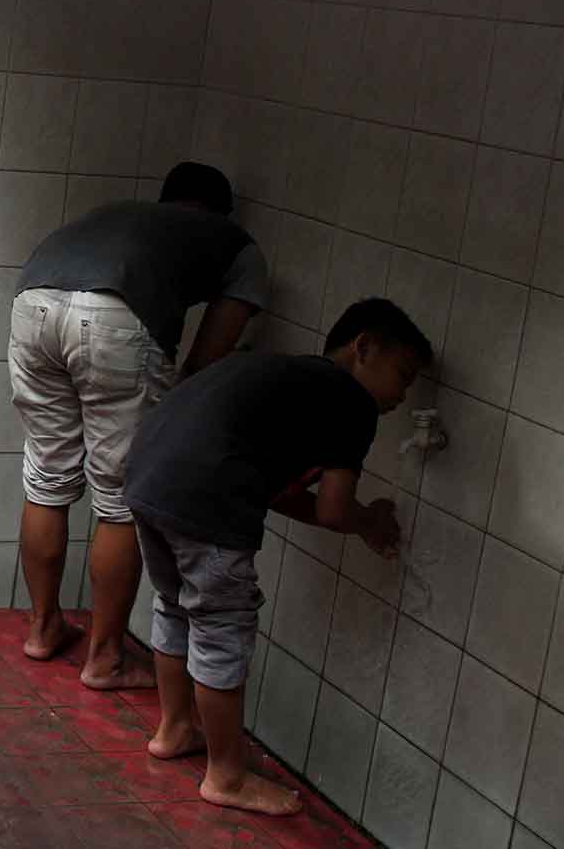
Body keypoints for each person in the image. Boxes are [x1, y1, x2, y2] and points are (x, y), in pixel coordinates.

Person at [125, 298, 424, 815]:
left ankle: (174, 728)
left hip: (148, 477)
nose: (403, 394)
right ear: (364, 347)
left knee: (175, 606)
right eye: (403, 374)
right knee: (221, 628)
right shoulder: (350, 402)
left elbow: (282, 493)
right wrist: (368, 521)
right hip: (205, 499)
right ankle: (227, 777)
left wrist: (354, 521)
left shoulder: (287, 377)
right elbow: (333, 509)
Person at [8, 161, 267, 689]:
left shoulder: (116, 215)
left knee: (48, 475)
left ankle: (42, 628)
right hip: (114, 319)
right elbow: (205, 363)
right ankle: (105, 658)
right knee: (119, 498)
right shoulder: (237, 246)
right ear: (221, 212)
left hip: (32, 304)